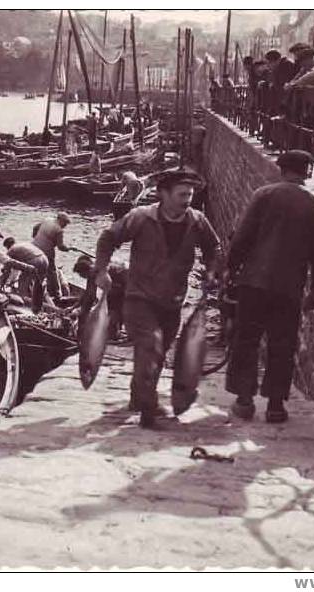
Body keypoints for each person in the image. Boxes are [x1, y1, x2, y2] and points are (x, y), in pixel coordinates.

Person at [94, 170, 220, 429]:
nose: (187, 200)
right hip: (139, 297)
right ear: (163, 194)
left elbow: (213, 247)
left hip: (173, 300)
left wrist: (212, 270)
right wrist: (102, 270)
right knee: (150, 346)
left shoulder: (197, 221)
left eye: (191, 195)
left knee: (157, 354)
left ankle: (137, 397)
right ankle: (148, 410)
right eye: (182, 194)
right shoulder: (140, 217)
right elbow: (109, 237)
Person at [225, 150, 314, 424]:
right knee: (282, 343)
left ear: (281, 169)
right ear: (307, 172)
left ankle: (244, 400)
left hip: (254, 282)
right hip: (289, 288)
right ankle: (275, 406)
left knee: (246, 339)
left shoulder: (264, 195)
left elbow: (243, 238)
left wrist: (230, 268)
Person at [72, 255, 128, 341]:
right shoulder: (92, 271)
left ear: (87, 271)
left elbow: (91, 298)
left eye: (81, 275)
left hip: (126, 280)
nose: (81, 277)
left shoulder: (98, 271)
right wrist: (74, 307)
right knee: (111, 307)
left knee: (115, 308)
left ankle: (116, 333)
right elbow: (89, 293)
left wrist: (83, 315)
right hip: (116, 284)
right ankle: (115, 330)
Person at [0, 237, 50, 313]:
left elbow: (7, 268)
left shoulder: (11, 250)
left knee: (23, 283)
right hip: (45, 259)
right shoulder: (23, 245)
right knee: (38, 285)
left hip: (34, 261)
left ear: (7, 246)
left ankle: (25, 306)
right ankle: (42, 305)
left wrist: (2, 283)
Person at [32, 213, 73, 301]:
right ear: (60, 220)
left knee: (37, 268)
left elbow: (36, 227)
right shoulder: (59, 230)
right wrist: (68, 248)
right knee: (52, 271)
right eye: (65, 223)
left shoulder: (47, 220)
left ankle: (35, 286)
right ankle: (57, 293)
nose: (65, 226)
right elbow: (60, 246)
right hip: (47, 250)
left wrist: (35, 237)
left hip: (34, 246)